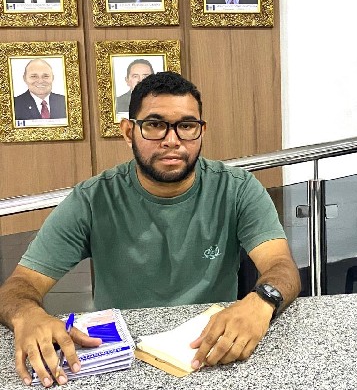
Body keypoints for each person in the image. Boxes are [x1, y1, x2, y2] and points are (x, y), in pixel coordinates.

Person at [0, 71, 301, 387]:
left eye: (186, 126)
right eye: (155, 125)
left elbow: (281, 266)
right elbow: (20, 285)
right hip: (125, 361)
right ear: (128, 131)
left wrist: (261, 301)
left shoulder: (237, 189)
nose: (172, 140)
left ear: (201, 131)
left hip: (211, 355)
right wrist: (28, 316)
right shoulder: (93, 199)